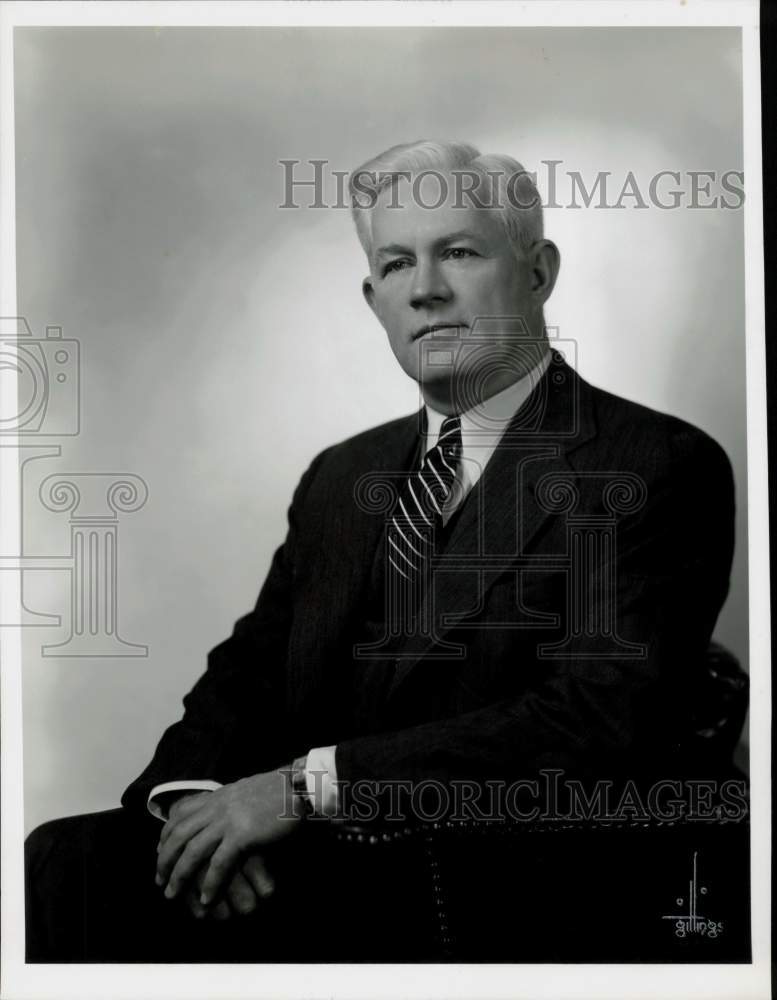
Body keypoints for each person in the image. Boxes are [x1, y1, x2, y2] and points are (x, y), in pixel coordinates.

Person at [25, 140, 738, 962]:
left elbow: (597, 718)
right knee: (66, 861)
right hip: (333, 857)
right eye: (396, 265)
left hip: (500, 874)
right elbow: (254, 665)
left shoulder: (653, 463)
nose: (426, 289)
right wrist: (197, 803)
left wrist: (303, 791)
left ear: (538, 271)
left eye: (459, 252)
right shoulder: (342, 475)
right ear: (374, 298)